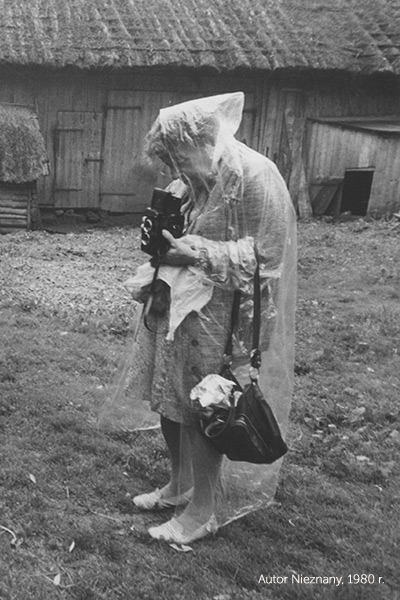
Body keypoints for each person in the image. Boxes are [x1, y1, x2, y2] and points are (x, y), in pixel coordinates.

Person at [100, 92, 297, 544]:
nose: (176, 170)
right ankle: (178, 486)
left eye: (178, 158)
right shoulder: (187, 184)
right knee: (171, 399)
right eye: (169, 163)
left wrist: (197, 252)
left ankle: (201, 512)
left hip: (227, 317)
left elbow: (268, 257)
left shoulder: (255, 175)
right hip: (178, 308)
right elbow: (173, 241)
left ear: (202, 139)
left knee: (206, 407)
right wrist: (158, 254)